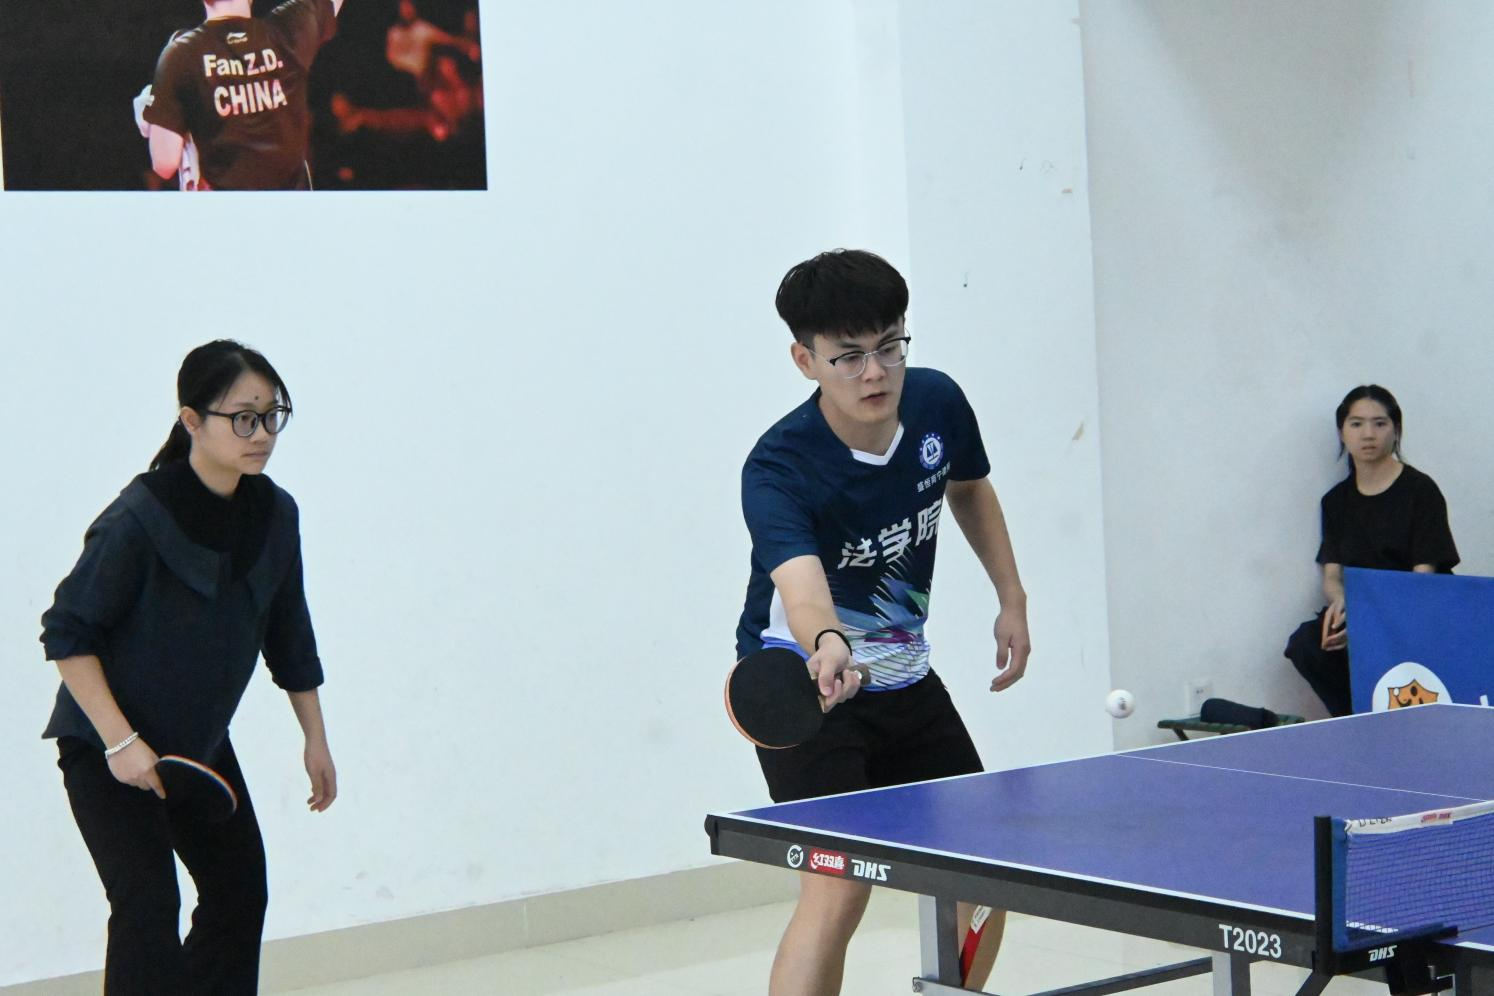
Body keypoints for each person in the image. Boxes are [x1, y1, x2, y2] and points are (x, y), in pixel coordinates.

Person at [736, 249, 1031, 995]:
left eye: (891, 346)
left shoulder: (936, 402)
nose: (876, 373)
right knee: (839, 885)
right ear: (806, 360)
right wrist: (829, 644)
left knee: (983, 872)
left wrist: (1011, 596)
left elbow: (970, 488)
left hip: (903, 674)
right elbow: (803, 591)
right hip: (808, 686)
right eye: (849, 356)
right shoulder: (778, 468)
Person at [40, 340, 336, 993]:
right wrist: (121, 743)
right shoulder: (140, 515)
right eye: (243, 418)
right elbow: (67, 633)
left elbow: (290, 633)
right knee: (148, 907)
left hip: (197, 748)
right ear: (192, 421)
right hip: (105, 746)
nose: (262, 434)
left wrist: (314, 738)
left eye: (272, 416)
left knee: (239, 892)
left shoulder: (276, 514)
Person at [1284, 385, 1458, 716]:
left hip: (1417, 610)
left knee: (1386, 643)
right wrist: (1343, 610)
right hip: (1364, 609)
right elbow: (1332, 576)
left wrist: (1368, 624)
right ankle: (1356, 719)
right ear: (1342, 432)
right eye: (1356, 424)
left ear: (1396, 430)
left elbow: (1423, 578)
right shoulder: (1335, 501)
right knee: (1307, 644)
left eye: (1380, 423)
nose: (1368, 434)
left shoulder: (1421, 490)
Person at [134, 0, 347, 190]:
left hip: (226, 216)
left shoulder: (181, 54)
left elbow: (165, 163)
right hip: (291, 214)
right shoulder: (289, 29)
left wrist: (152, 115)